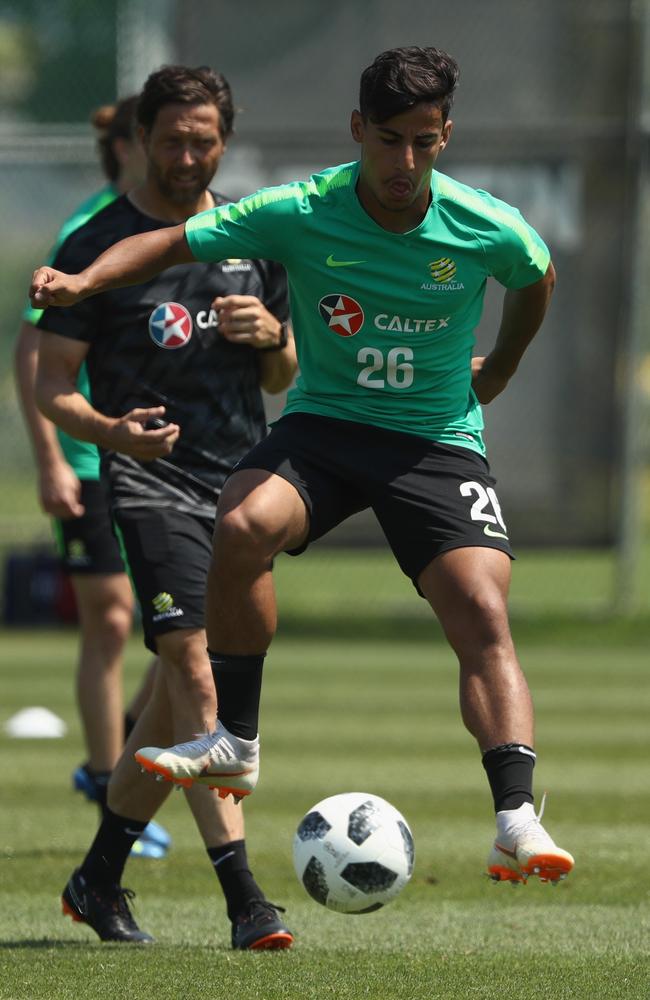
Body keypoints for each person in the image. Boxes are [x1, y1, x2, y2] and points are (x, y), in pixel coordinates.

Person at [30, 47, 575, 889]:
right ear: (358, 129)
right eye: (389, 140)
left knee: (480, 605)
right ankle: (235, 744)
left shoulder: (485, 226)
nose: (405, 163)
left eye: (424, 143)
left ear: (445, 137)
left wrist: (498, 368)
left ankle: (515, 818)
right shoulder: (301, 209)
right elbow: (168, 243)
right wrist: (80, 281)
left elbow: (534, 277)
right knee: (243, 524)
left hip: (434, 439)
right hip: (325, 427)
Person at [31, 64, 297, 948]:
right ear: (140, 138)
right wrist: (110, 431)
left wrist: (273, 339)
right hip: (146, 483)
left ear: (225, 139)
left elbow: (285, 374)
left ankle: (98, 878)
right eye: (173, 139)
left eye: (205, 140)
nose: (188, 156)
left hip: (242, 486)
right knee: (196, 673)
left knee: (168, 710)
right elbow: (51, 386)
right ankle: (244, 898)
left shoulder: (255, 235)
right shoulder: (98, 246)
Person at [14, 95, 170, 860]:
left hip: (169, 457)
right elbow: (33, 353)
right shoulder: (90, 228)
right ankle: (109, 780)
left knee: (183, 635)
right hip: (90, 455)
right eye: (161, 139)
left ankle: (130, 755)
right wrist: (50, 458)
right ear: (130, 147)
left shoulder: (194, 225)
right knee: (111, 621)